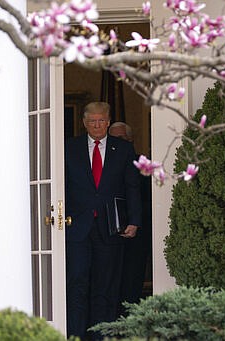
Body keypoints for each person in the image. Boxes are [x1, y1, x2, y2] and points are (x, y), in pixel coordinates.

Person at [65, 103, 142, 340]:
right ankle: (76, 335)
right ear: (84, 123)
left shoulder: (124, 149)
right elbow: (62, 187)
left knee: (106, 288)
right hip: (77, 228)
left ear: (108, 122)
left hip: (111, 228)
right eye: (92, 121)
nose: (97, 125)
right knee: (77, 285)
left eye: (101, 121)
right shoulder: (70, 147)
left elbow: (132, 186)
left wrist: (134, 220)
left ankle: (101, 336)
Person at [108, 122, 152, 315]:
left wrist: (134, 219)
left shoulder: (144, 165)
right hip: (108, 233)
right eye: (114, 139)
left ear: (131, 141)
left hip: (137, 234)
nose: (118, 144)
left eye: (122, 139)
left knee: (133, 278)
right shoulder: (101, 164)